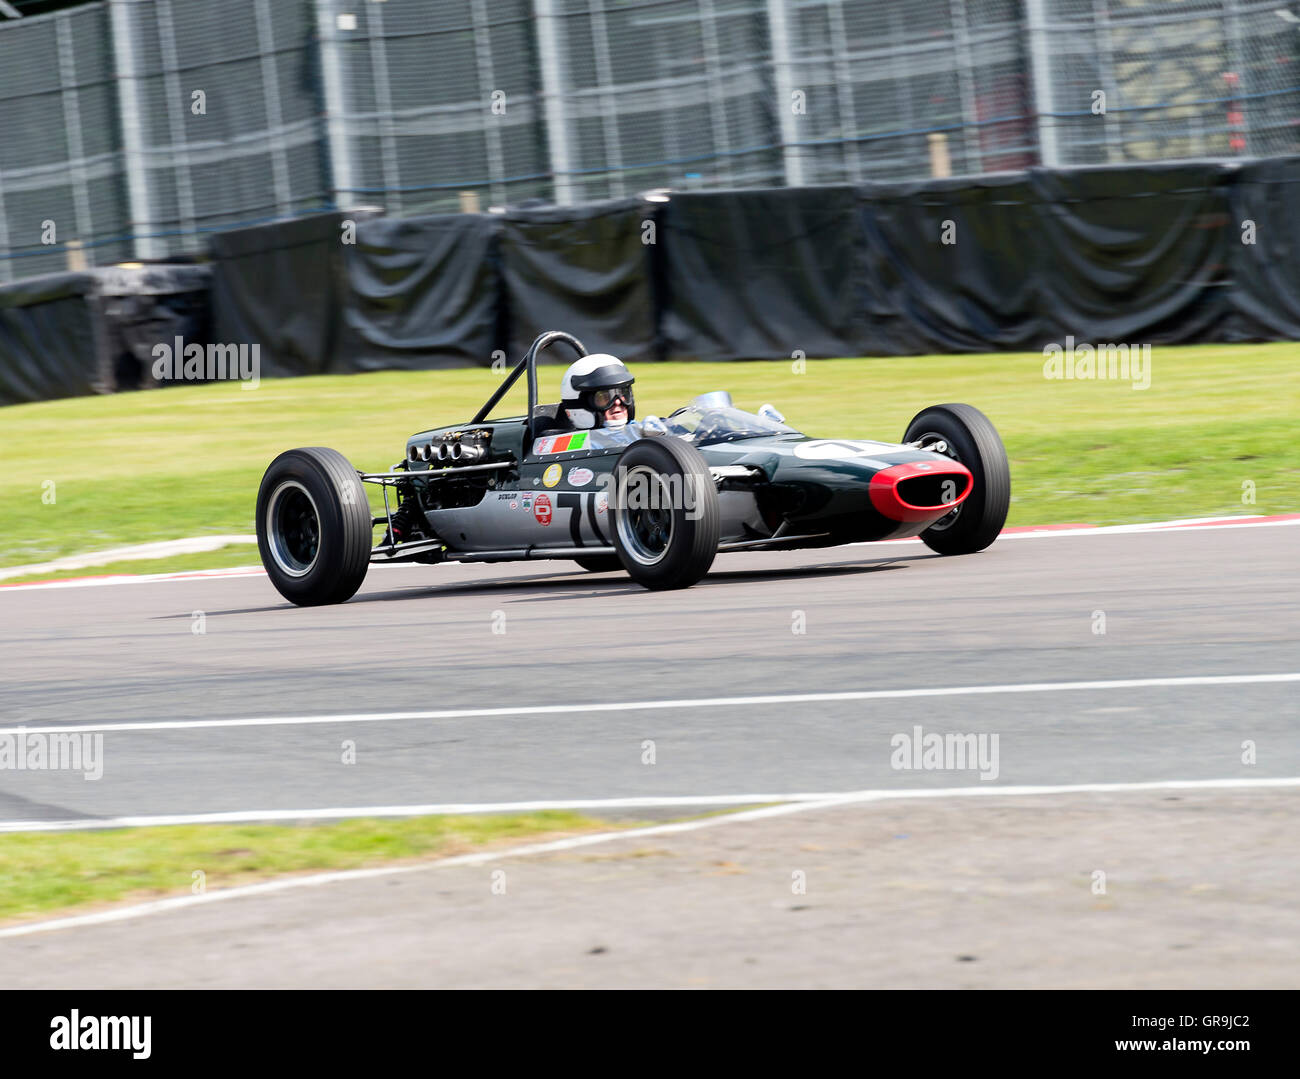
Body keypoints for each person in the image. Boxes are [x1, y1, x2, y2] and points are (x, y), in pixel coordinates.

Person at [559, 354, 635, 429]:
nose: (618, 402)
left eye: (623, 393)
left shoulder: (637, 431)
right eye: (605, 396)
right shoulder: (560, 440)